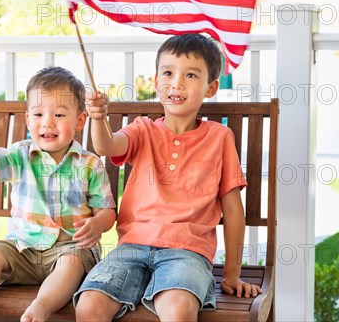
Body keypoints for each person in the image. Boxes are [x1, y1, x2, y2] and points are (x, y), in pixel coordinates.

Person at [75, 34, 262, 321]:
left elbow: (233, 210)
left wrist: (232, 274)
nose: (176, 83)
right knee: (89, 305)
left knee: (178, 309)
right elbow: (106, 146)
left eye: (190, 74)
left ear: (211, 87)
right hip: (131, 247)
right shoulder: (143, 130)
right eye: (168, 72)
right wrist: (99, 119)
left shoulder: (220, 138)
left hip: (187, 252)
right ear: (155, 80)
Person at [0, 67, 116, 322]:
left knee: (71, 264)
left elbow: (107, 210)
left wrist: (97, 223)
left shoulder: (89, 165)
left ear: (80, 121)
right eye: (38, 114)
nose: (47, 122)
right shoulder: (19, 155)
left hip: (71, 248)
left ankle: (41, 306)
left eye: (59, 114)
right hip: (23, 248)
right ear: (28, 120)